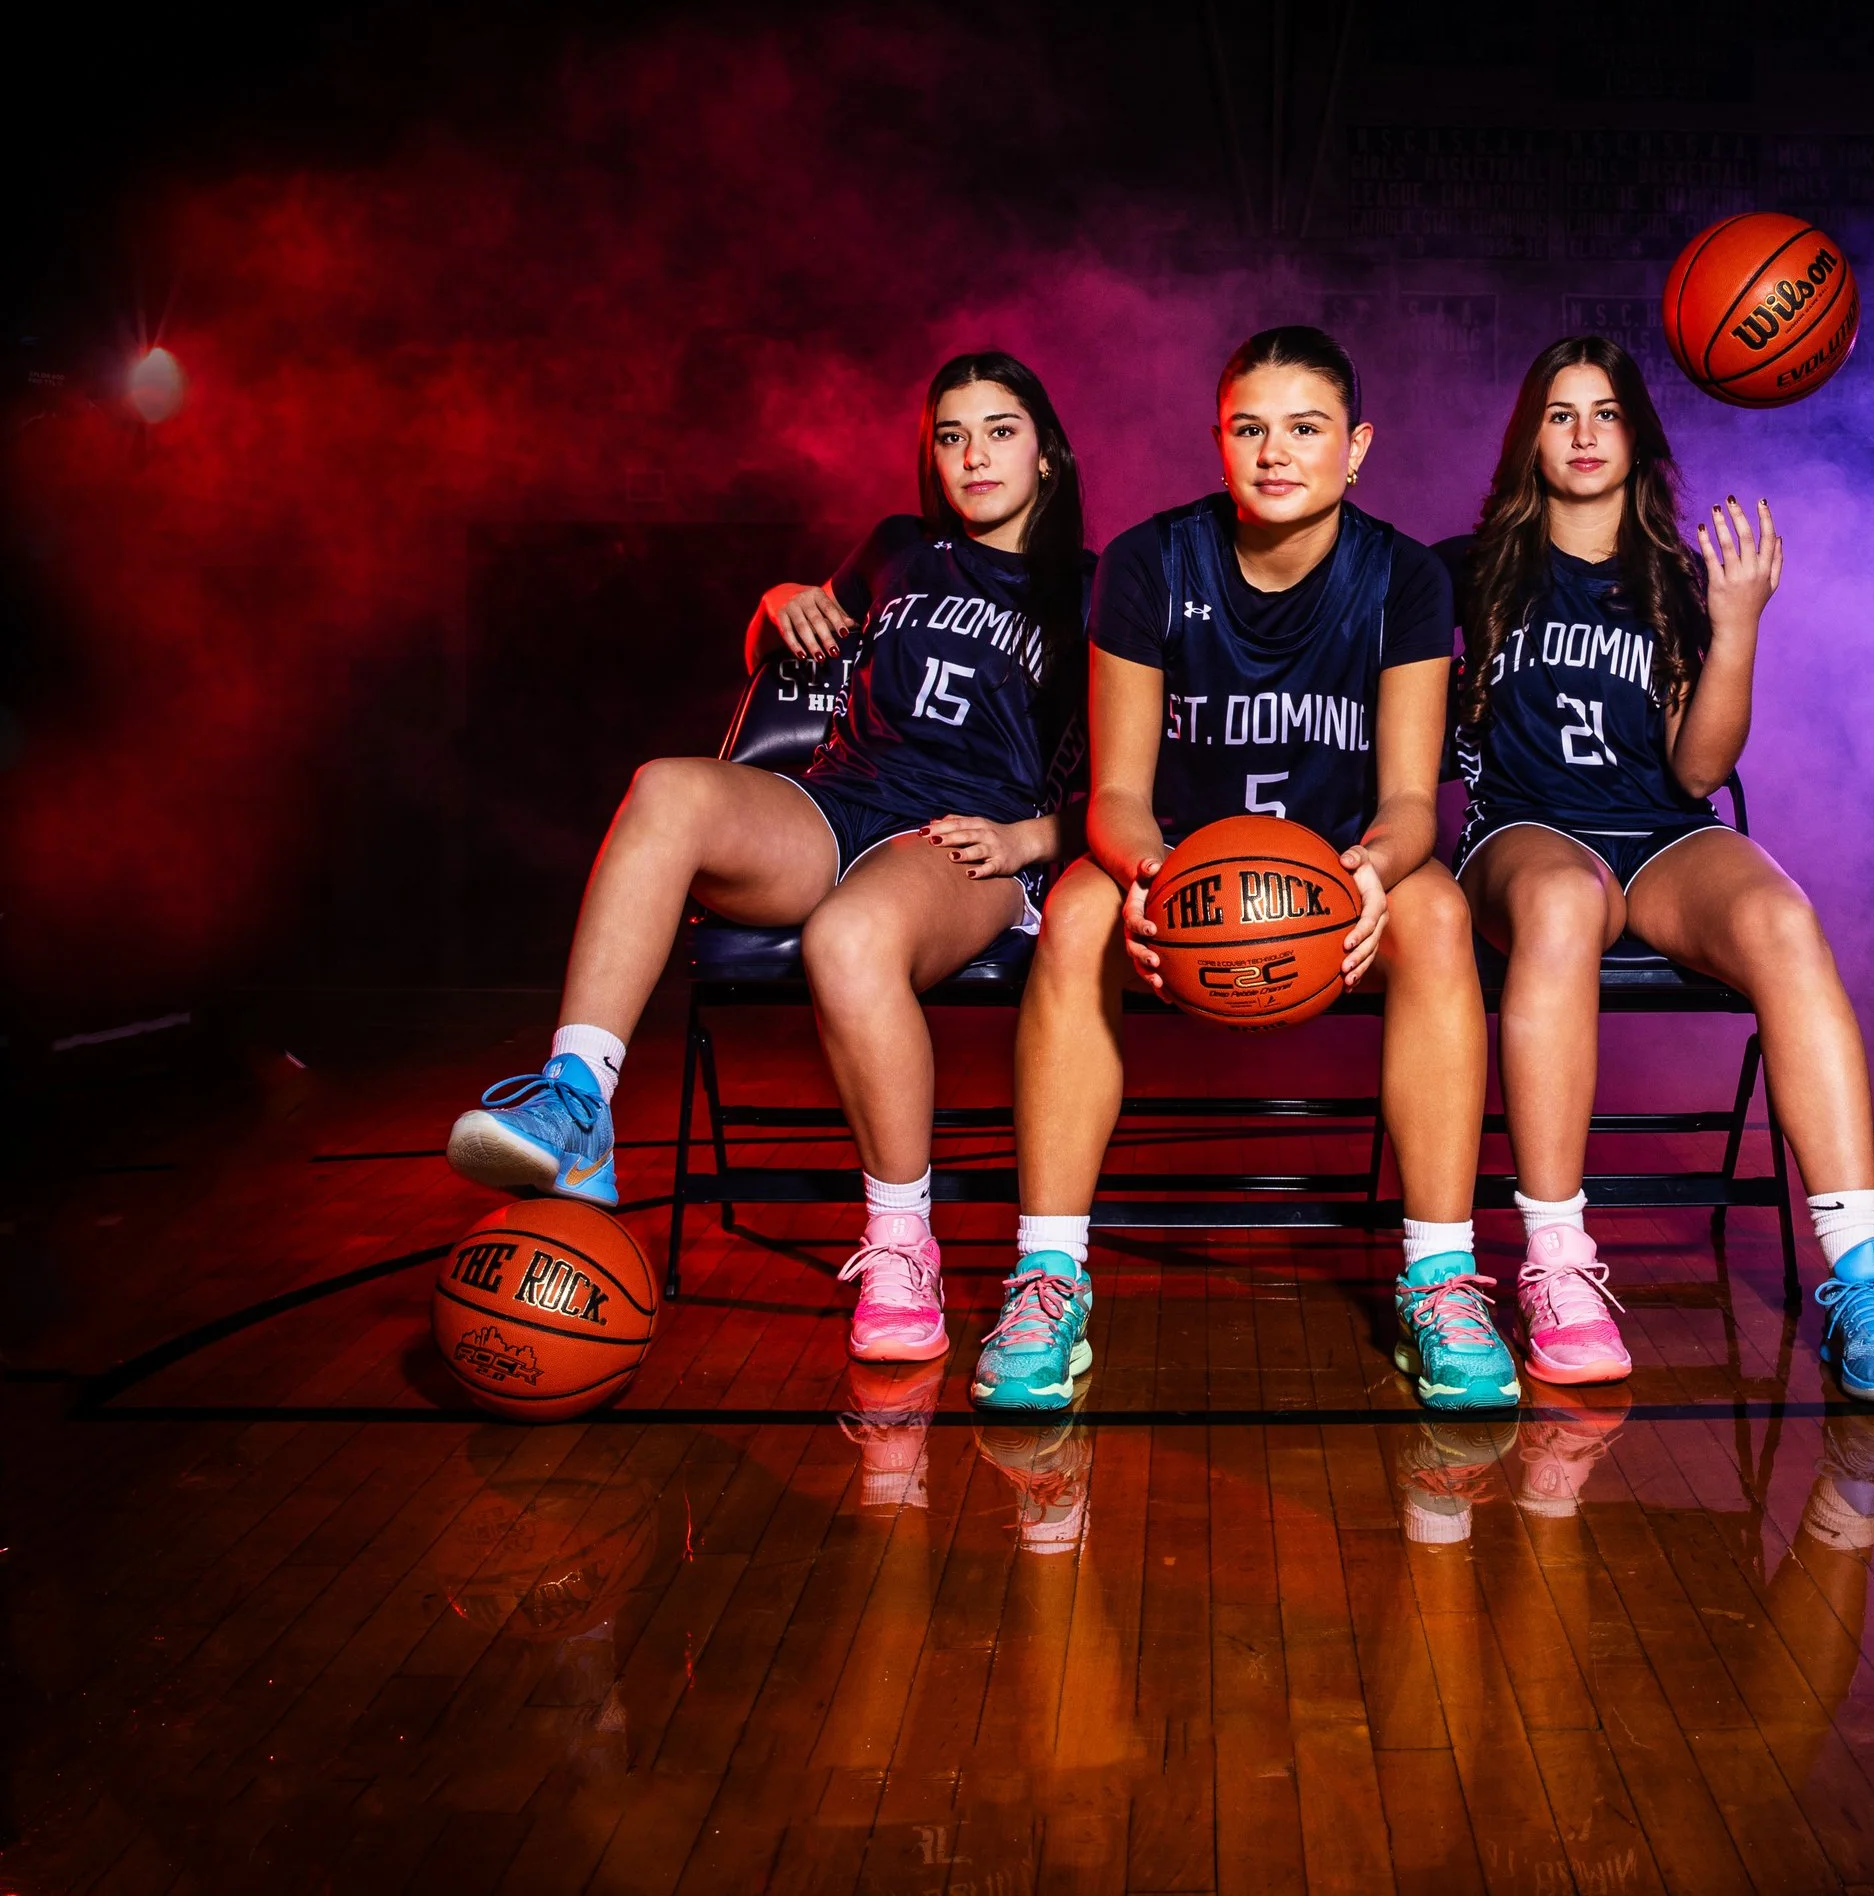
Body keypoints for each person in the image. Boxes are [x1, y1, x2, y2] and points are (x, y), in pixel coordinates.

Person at [446, 351, 1089, 1364]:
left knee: (851, 936)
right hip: (833, 804)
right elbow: (774, 648)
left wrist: (1032, 840)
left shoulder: (1090, 589)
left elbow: (1138, 775)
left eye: (1001, 430)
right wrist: (777, 599)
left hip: (965, 843)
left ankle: (897, 1244)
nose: (974, 455)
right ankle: (577, 1103)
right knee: (668, 785)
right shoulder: (895, 547)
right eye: (952, 434)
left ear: (1047, 452)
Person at [991, 325, 1512, 1414]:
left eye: (1306, 428)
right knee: (1080, 914)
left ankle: (1440, 1275)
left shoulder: (1405, 577)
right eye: (1249, 428)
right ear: (1218, 442)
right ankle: (1048, 1272)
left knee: (1441, 917)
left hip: (1334, 874)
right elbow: (1117, 797)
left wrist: (1371, 871)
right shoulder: (1148, 561)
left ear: (1356, 446)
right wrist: (1147, 873)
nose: (1276, 452)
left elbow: (1414, 800)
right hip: (1180, 868)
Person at [1448, 334, 1874, 1402]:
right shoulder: (1464, 567)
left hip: (1660, 833)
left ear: (1637, 436)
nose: (1582, 434)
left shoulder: (1678, 576)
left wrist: (1736, 626)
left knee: (1784, 921)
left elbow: (1701, 767)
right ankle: (1557, 1262)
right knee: (1564, 903)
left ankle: (1862, 1280)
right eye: (1559, 412)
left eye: (1605, 413)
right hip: (1528, 833)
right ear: (1528, 435)